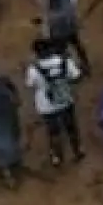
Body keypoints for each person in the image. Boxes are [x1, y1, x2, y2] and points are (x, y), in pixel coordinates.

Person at [27, 37, 86, 167]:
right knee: (71, 127)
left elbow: (31, 85)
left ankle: (57, 157)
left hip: (46, 105)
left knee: (53, 131)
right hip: (65, 99)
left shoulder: (33, 69)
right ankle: (77, 150)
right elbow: (76, 76)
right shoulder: (65, 61)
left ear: (36, 52)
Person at [36, 0, 90, 69]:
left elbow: (47, 9)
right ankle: (77, 66)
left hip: (63, 22)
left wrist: (47, 29)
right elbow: (46, 8)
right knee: (70, 45)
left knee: (69, 45)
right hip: (61, 22)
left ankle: (79, 66)